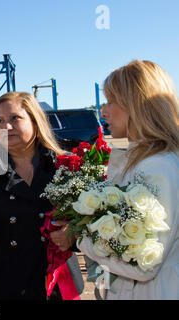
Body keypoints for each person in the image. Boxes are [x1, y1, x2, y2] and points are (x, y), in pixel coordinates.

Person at [0, 91, 82, 299]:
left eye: (15, 118)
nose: (6, 127)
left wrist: (74, 234)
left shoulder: (66, 165)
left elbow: (90, 221)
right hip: (4, 282)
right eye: (0, 121)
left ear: (35, 120)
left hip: (55, 282)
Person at [73, 60, 179, 300]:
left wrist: (81, 238)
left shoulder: (157, 166)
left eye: (111, 100)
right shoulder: (152, 158)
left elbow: (142, 264)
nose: (104, 111)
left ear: (137, 104)